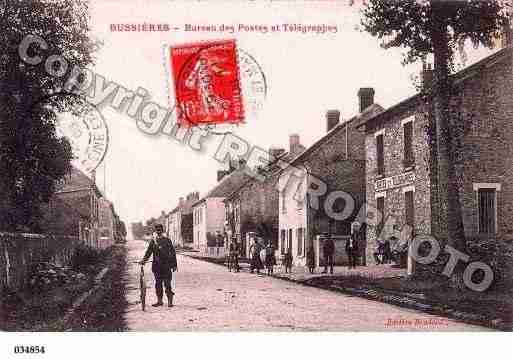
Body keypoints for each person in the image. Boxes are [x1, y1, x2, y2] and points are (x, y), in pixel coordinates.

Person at [140, 224, 177, 307]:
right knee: (158, 284)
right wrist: (144, 260)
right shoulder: (153, 241)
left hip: (166, 266)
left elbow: (173, 253)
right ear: (155, 231)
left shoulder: (167, 240)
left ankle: (170, 301)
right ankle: (159, 301)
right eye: (157, 230)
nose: (158, 231)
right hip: (157, 267)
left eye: (160, 230)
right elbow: (148, 252)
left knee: (167, 284)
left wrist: (174, 265)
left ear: (162, 231)